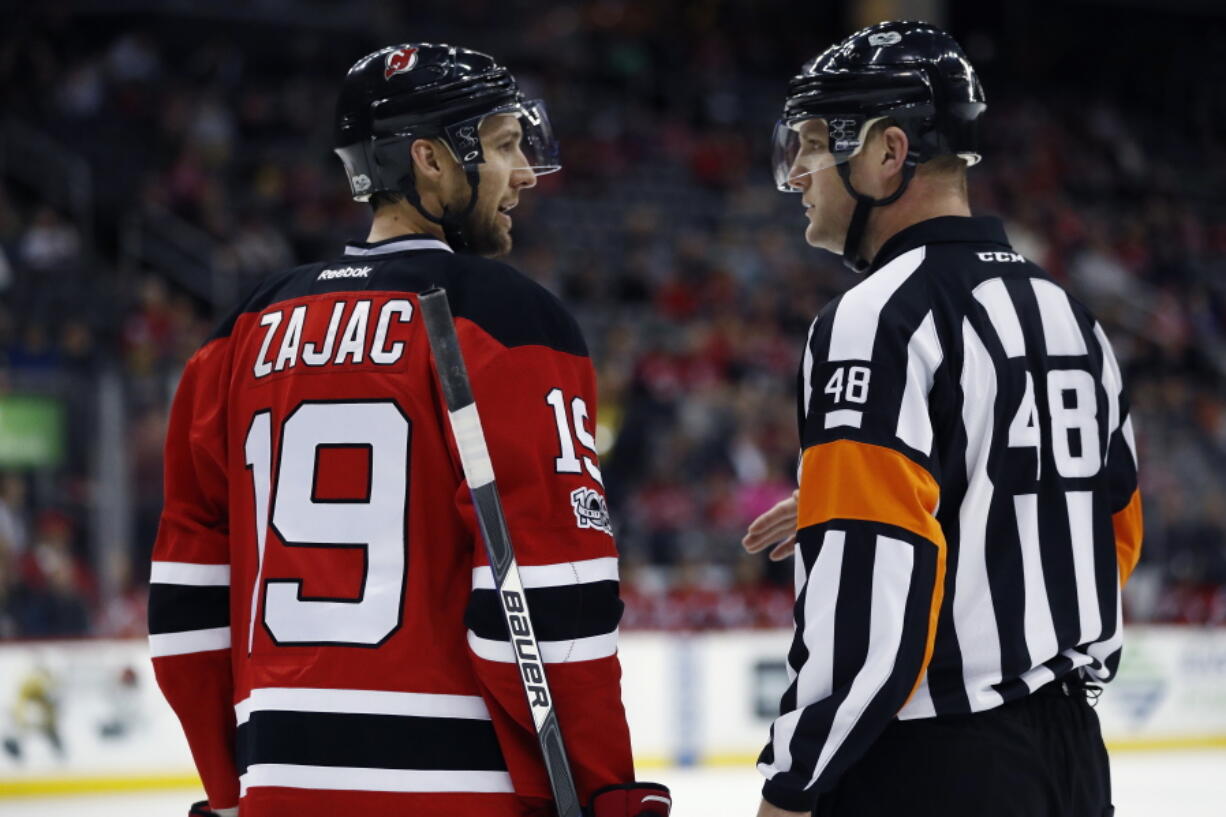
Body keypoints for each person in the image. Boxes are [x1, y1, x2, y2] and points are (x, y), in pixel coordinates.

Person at [149, 43, 668, 817]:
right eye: (501, 146)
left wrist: (230, 792)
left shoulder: (244, 328)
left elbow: (187, 599)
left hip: (280, 781)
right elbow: (550, 593)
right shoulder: (506, 317)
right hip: (461, 786)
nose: (524, 174)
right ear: (429, 159)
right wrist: (606, 791)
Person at [742, 21, 1141, 817]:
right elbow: (1111, 533)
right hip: (1072, 762)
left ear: (890, 153)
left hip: (935, 764)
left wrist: (793, 784)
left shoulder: (875, 318)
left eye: (816, 143)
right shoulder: (1068, 314)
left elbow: (870, 605)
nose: (798, 173)